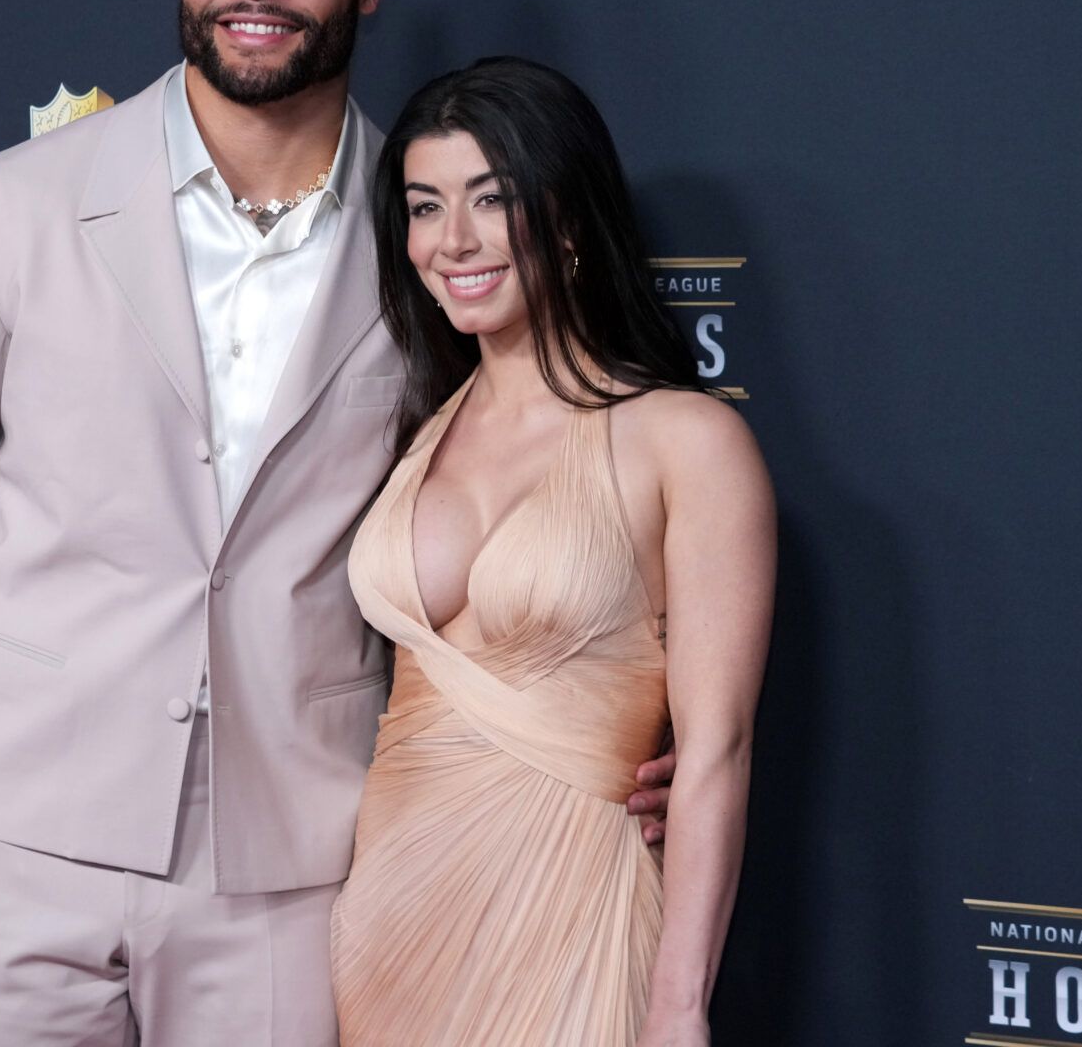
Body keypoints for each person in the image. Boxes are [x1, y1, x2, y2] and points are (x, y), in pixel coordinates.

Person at [0, 0, 676, 1044]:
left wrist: (618, 728)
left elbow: (546, 477)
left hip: (295, 846)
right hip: (13, 831)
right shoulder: (16, 203)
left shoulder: (435, 236)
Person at [330, 58, 775, 1046]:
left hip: (576, 912)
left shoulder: (686, 440)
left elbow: (718, 750)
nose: (453, 239)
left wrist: (678, 1008)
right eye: (425, 206)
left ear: (569, 219)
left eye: (492, 199)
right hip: (389, 922)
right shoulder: (410, 432)